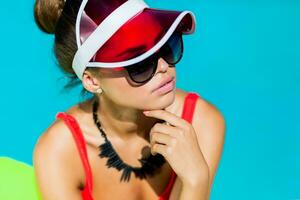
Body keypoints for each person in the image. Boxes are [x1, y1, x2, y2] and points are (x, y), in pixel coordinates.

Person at [32, 0, 226, 199]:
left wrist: (196, 180)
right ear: (91, 81)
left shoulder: (200, 120)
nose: (162, 66)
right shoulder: (60, 150)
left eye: (166, 45)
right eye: (139, 63)